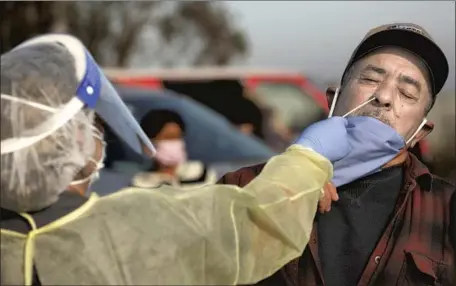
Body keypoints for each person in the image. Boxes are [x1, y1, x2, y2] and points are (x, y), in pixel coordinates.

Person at [0, 34, 347, 285]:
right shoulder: (131, 227)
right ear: (72, 138)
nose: (96, 136)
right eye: (91, 123)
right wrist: (308, 158)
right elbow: (253, 222)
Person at [217, 23, 455, 286]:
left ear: (420, 132)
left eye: (407, 93)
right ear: (333, 99)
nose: (384, 96)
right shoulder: (244, 186)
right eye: (371, 79)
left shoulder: (445, 211)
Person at [131, 108, 217, 189]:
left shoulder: (201, 173)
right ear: (147, 144)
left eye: (178, 137)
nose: (175, 143)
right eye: (168, 138)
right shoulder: (142, 182)